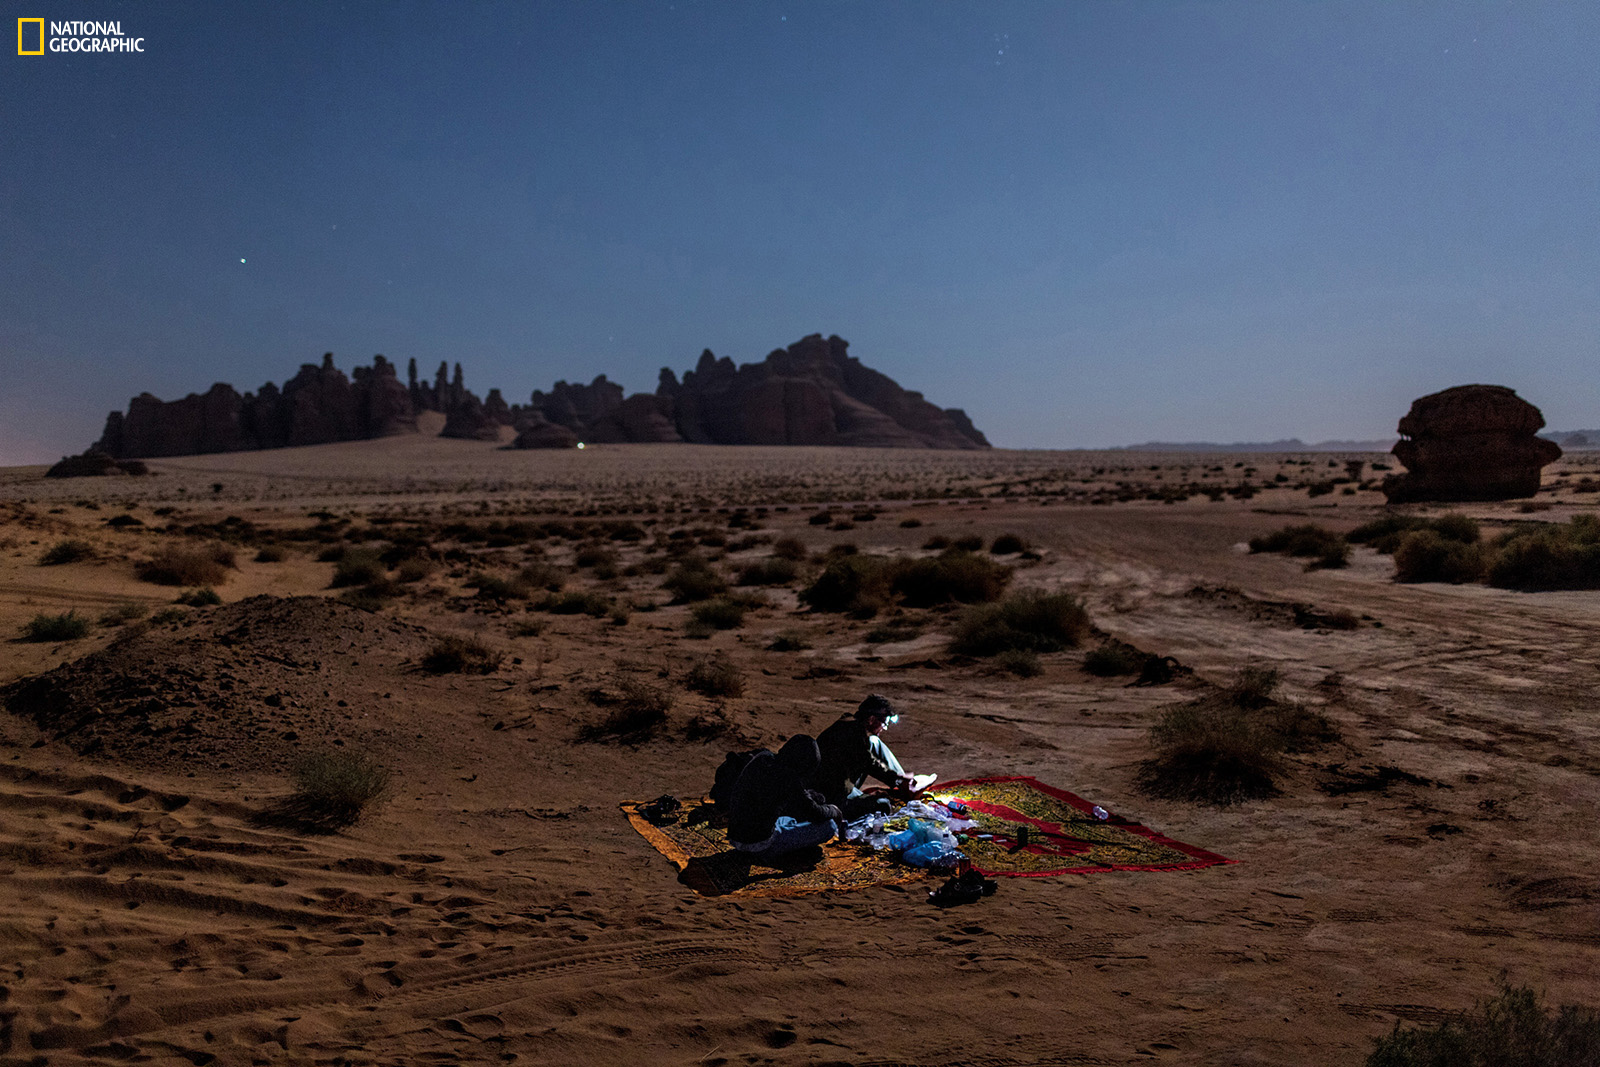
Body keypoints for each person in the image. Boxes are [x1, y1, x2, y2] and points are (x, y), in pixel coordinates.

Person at [724, 734, 843, 857]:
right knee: (828, 826)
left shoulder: (762, 758)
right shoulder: (788, 778)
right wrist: (833, 810)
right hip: (758, 845)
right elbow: (816, 813)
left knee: (791, 819)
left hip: (735, 835)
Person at [814, 694, 927, 819]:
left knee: (874, 741)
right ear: (872, 719)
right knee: (883, 805)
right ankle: (904, 785)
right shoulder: (852, 733)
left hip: (839, 783)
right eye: (884, 723)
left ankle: (906, 787)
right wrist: (898, 778)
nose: (884, 728)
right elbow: (870, 763)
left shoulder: (849, 723)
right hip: (831, 796)